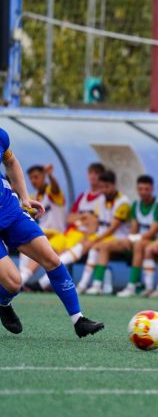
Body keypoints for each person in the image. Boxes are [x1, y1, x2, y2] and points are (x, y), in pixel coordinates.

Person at [0, 127, 103, 337]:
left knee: (52, 259)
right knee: (14, 284)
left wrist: (25, 197)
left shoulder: (1, 136)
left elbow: (10, 162)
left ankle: (78, 320)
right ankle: (3, 303)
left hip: (10, 209)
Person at [27, 162, 104, 291]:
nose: (93, 176)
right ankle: (22, 279)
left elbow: (95, 222)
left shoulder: (103, 198)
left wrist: (84, 220)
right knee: (42, 250)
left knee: (59, 254)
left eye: (96, 173)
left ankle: (41, 284)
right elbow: (70, 218)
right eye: (91, 173)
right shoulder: (83, 196)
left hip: (80, 235)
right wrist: (84, 216)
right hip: (68, 233)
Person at [88, 175, 158, 298]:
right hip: (137, 239)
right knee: (104, 246)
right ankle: (97, 285)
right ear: (137, 189)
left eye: (147, 189)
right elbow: (133, 228)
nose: (143, 192)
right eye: (140, 189)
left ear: (152, 189)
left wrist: (132, 239)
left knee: (138, 245)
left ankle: (131, 287)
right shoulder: (136, 205)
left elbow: (152, 233)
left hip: (153, 241)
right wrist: (129, 239)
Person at [74, 171, 132, 294]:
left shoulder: (123, 202)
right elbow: (94, 222)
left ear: (114, 185)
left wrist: (95, 239)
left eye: (107, 187)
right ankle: (83, 285)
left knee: (99, 246)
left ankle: (95, 284)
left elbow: (112, 229)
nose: (104, 190)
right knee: (84, 245)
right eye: (102, 187)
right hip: (103, 236)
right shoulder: (100, 200)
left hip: (119, 238)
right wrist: (87, 236)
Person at [19, 164, 66, 286]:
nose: (33, 181)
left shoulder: (53, 192)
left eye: (36, 177)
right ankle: (22, 280)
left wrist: (50, 175)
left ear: (44, 176)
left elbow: (55, 188)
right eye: (31, 178)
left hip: (58, 237)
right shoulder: (33, 197)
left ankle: (21, 281)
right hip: (43, 235)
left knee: (40, 249)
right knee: (23, 242)